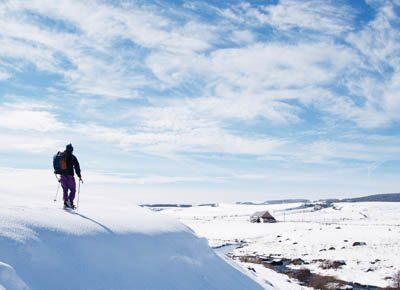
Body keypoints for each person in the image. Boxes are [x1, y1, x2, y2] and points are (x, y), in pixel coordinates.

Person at [60, 144, 82, 209]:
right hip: (69, 176)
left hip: (62, 176)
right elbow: (77, 166)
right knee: (73, 190)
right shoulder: (72, 157)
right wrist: (79, 175)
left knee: (65, 189)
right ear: (71, 149)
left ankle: (65, 203)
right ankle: (70, 202)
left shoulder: (61, 155)